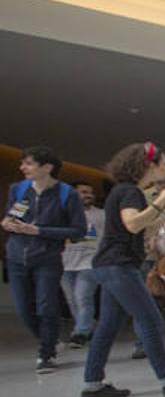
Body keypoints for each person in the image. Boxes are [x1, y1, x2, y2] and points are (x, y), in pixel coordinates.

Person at [81, 142, 165, 397]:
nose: (164, 168)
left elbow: (143, 228)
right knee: (149, 320)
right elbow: (133, 224)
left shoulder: (125, 192)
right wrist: (163, 201)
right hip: (118, 266)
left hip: (111, 265)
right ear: (148, 165)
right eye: (161, 164)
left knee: (108, 325)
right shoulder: (130, 192)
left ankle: (92, 384)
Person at [4, 146, 87, 373]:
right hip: (16, 257)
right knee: (23, 308)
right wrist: (8, 223)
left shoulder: (66, 194)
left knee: (46, 306)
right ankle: (48, 340)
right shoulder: (18, 190)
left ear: (47, 167)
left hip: (47, 258)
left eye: (28, 163)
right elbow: (12, 215)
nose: (23, 168)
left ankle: (46, 353)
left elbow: (78, 231)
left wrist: (38, 231)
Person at [60, 182, 104, 347]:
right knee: (72, 299)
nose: (88, 195)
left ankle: (80, 333)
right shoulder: (61, 215)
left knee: (83, 296)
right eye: (83, 192)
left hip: (90, 262)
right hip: (65, 263)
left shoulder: (102, 215)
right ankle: (88, 327)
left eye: (90, 192)